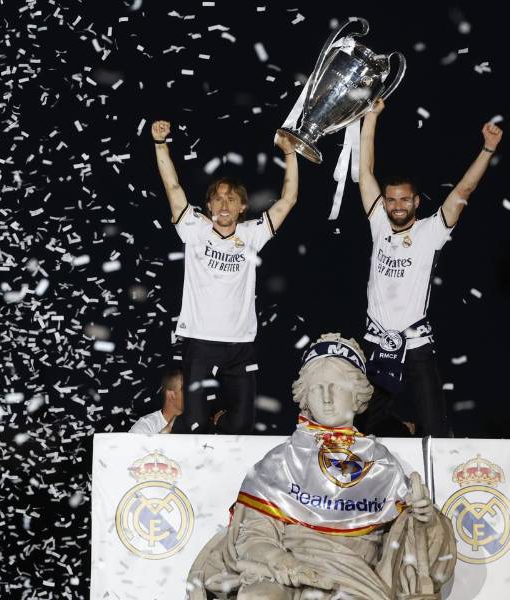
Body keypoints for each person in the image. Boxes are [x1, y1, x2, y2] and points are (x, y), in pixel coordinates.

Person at [186, 333, 456, 599]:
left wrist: (425, 520)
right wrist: (281, 561)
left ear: (357, 395)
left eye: (337, 386)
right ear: (305, 395)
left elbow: (412, 548)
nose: (327, 397)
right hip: (286, 573)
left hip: (353, 579)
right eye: (317, 388)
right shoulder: (281, 461)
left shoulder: (381, 463)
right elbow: (253, 535)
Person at [356, 98, 504, 438]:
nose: (397, 205)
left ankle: (420, 436)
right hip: (375, 341)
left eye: (404, 199)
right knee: (362, 429)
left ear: (416, 202)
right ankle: (400, 431)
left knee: (435, 429)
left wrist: (488, 149)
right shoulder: (379, 224)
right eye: (391, 199)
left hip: (416, 343)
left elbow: (464, 189)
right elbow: (365, 172)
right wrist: (371, 117)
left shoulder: (431, 231)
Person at [150, 119, 300, 434]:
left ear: (243, 206)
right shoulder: (195, 229)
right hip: (200, 342)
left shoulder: (252, 234)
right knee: (194, 424)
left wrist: (290, 154)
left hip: (240, 344)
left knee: (242, 425)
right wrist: (160, 144)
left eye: (231, 198)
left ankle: (218, 422)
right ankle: (184, 431)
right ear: (208, 205)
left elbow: (288, 201)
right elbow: (173, 188)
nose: (224, 204)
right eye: (217, 198)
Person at [129, 368, 184, 434]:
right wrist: (167, 431)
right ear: (171, 394)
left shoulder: (194, 425)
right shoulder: (144, 427)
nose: (192, 395)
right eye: (186, 390)